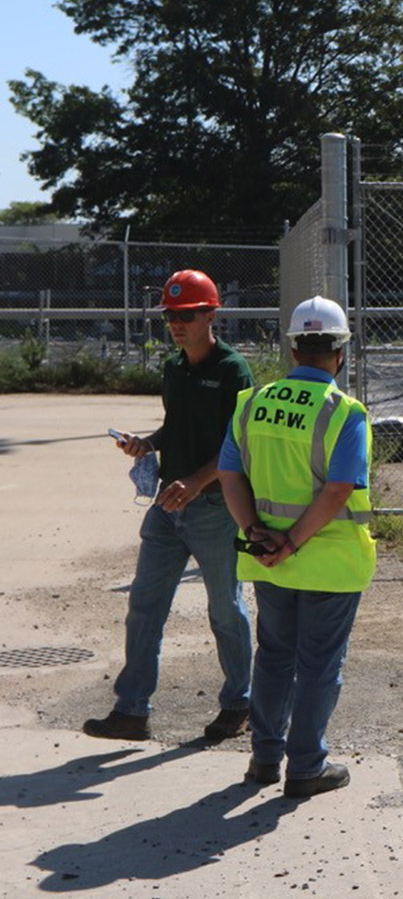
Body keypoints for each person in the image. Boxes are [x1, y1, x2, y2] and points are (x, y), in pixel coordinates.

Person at [85, 270, 255, 743]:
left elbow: (237, 442)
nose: (177, 324)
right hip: (168, 503)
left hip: (215, 507)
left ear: (211, 314)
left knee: (225, 609)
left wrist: (197, 483)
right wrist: (147, 443)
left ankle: (239, 702)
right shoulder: (175, 368)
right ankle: (132, 710)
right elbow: (176, 426)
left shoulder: (231, 369)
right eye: (170, 315)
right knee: (144, 605)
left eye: (186, 315)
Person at [219, 295, 374, 798]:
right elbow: (337, 490)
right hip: (328, 564)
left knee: (274, 657)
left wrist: (258, 534)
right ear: (340, 352)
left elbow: (229, 474)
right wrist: (291, 542)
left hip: (269, 562)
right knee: (318, 667)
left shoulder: (253, 403)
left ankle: (264, 759)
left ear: (292, 349)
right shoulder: (343, 412)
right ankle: (306, 767)